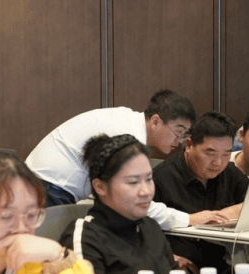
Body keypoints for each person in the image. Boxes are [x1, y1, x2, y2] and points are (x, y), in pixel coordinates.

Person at [25, 90, 225, 229]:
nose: (179, 141)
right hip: (48, 189)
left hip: (49, 185)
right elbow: (132, 200)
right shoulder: (127, 137)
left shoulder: (128, 122)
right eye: (178, 131)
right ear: (155, 121)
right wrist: (189, 219)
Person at [59, 134, 177, 274]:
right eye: (133, 182)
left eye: (149, 179)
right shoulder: (85, 236)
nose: (146, 191)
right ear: (100, 187)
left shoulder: (150, 227)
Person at [153, 112, 249, 274]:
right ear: (189, 144)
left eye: (226, 154)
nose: (218, 162)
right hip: (179, 271)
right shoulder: (161, 178)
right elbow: (139, 231)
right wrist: (169, 257)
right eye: (210, 153)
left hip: (223, 267)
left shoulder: (230, 174)